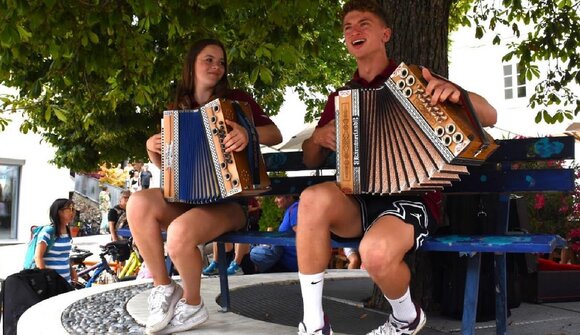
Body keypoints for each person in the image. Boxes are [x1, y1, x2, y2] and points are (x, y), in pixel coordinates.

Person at [296, 2, 498, 335]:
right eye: (348, 27)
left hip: (411, 199)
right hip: (357, 200)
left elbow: (489, 115)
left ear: (385, 34)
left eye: (364, 24)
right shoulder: (341, 97)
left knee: (373, 254)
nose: (354, 31)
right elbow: (310, 160)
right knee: (312, 198)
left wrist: (457, 94)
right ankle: (314, 325)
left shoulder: (418, 81)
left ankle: (406, 317)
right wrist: (317, 137)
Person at [127, 38, 282, 335]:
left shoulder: (237, 100)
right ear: (192, 65)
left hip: (231, 202)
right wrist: (152, 148)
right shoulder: (177, 109)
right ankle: (163, 286)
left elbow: (275, 134)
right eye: (209, 60)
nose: (216, 67)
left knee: (179, 233)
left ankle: (193, 303)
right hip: (189, 201)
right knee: (138, 203)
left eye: (221, 62)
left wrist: (248, 133)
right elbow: (172, 171)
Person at [34, 198, 77, 283]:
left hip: (66, 282)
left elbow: (65, 257)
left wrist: (72, 272)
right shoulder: (48, 231)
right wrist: (47, 279)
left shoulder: (67, 231)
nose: (73, 212)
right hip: (52, 283)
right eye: (69, 209)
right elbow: (38, 257)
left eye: (74, 209)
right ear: (59, 212)